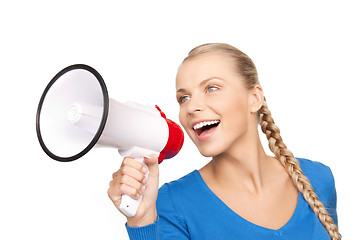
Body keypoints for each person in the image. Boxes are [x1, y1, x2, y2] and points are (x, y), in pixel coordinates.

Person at [107, 43, 341, 239]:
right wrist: (142, 222)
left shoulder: (319, 178)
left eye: (211, 88)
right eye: (183, 98)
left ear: (255, 98)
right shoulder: (170, 203)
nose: (191, 107)